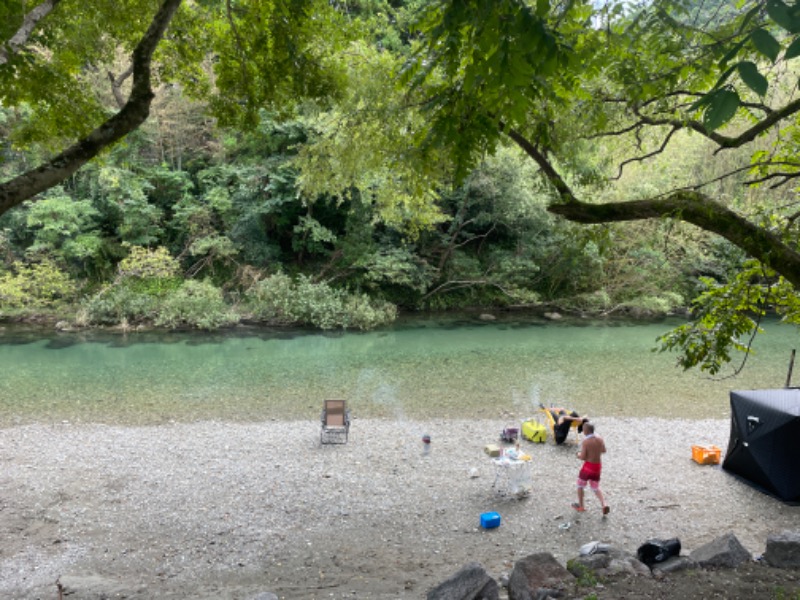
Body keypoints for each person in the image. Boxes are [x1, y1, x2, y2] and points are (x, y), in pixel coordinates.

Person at [572, 422, 609, 515]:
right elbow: (604, 450)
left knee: (580, 485)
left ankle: (581, 506)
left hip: (588, 467)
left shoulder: (586, 442)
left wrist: (578, 455)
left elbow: (583, 457)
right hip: (597, 466)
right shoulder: (600, 439)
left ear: (585, 431)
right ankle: (604, 504)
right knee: (595, 487)